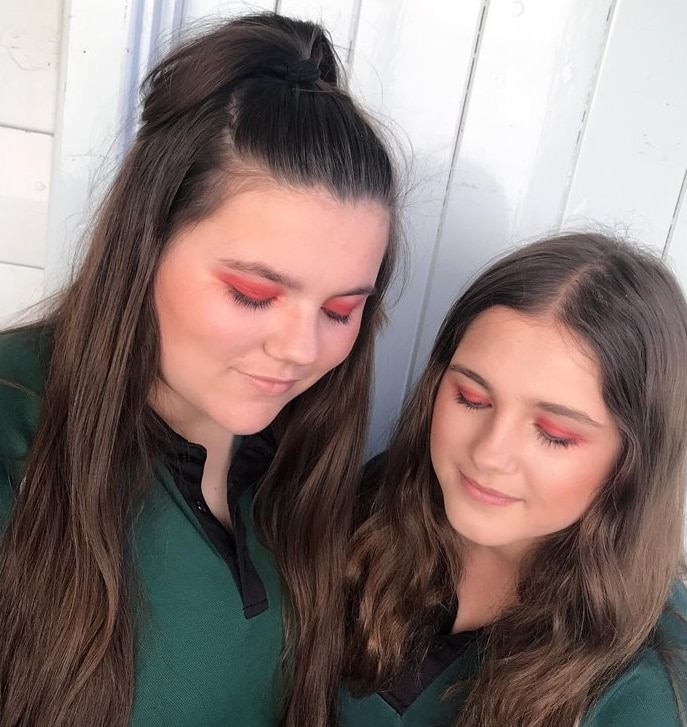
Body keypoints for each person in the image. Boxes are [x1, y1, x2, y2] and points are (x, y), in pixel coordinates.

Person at [0, 13, 400, 727]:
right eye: (253, 294)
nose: (300, 348)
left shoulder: (306, 460)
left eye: (341, 311)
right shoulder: (15, 428)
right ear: (146, 241)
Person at [341, 233, 687, 726]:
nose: (489, 454)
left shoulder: (653, 695)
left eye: (554, 433)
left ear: (633, 463)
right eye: (472, 399)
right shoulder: (382, 502)